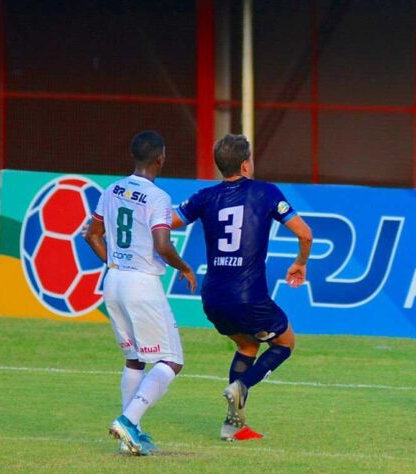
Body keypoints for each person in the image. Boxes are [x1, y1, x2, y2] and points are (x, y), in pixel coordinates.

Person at [172, 134, 312, 441]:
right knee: (285, 344)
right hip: (249, 296)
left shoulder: (203, 197)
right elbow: (305, 235)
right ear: (246, 164)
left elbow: (166, 224)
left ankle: (232, 426)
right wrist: (300, 263)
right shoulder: (265, 192)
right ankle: (242, 385)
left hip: (212, 298)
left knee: (247, 346)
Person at [85, 130, 197, 455]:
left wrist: (116, 262)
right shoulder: (158, 197)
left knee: (134, 358)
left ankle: (129, 438)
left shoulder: (112, 189)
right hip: (141, 285)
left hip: (114, 280)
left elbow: (92, 234)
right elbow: (162, 244)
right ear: (160, 158)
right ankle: (129, 421)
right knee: (171, 360)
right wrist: (185, 268)